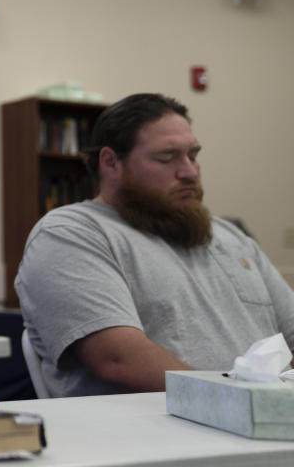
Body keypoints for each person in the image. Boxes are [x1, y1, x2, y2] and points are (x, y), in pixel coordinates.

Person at [15, 93, 294, 398]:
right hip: (161, 435)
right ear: (111, 163)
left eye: (193, 156)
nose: (189, 171)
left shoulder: (231, 237)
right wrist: (240, 403)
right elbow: (119, 361)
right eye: (167, 157)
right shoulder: (71, 234)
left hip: (268, 423)